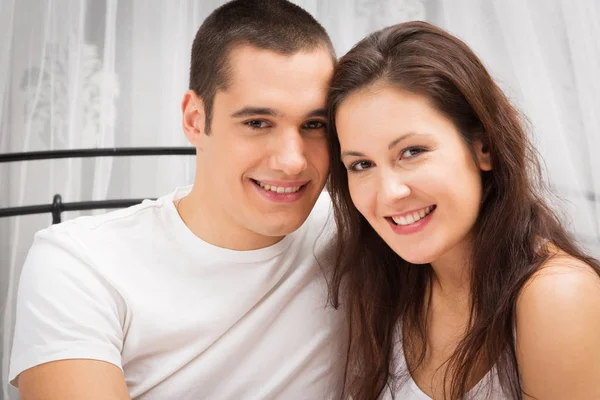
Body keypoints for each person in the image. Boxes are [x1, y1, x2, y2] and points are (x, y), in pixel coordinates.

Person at [9, 1, 348, 399]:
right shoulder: (81, 262)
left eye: (314, 125)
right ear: (194, 119)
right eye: (257, 123)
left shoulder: (362, 231)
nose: (292, 162)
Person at [326, 21, 600, 400]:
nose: (389, 193)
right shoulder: (385, 281)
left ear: (483, 147)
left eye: (412, 152)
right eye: (361, 165)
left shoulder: (555, 295)